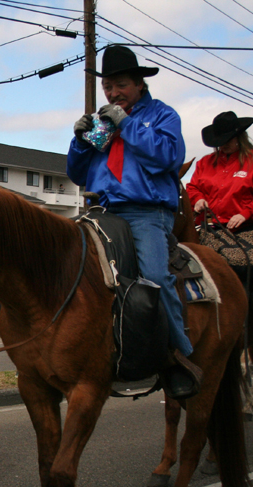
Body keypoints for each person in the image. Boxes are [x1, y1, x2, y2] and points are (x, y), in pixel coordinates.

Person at [67, 45, 201, 400]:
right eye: (108, 87)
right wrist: (80, 141)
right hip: (102, 211)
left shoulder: (161, 116)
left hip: (146, 213)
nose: (113, 93)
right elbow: (78, 173)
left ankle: (180, 356)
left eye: (120, 85)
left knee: (155, 279)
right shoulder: (104, 123)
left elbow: (168, 156)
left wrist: (126, 124)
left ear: (139, 84)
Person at [186, 111, 253, 358]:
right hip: (210, 227)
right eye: (219, 141)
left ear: (239, 137)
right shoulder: (205, 163)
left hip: (243, 228)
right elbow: (193, 186)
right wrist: (197, 200)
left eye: (227, 139)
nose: (223, 145)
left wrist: (248, 213)